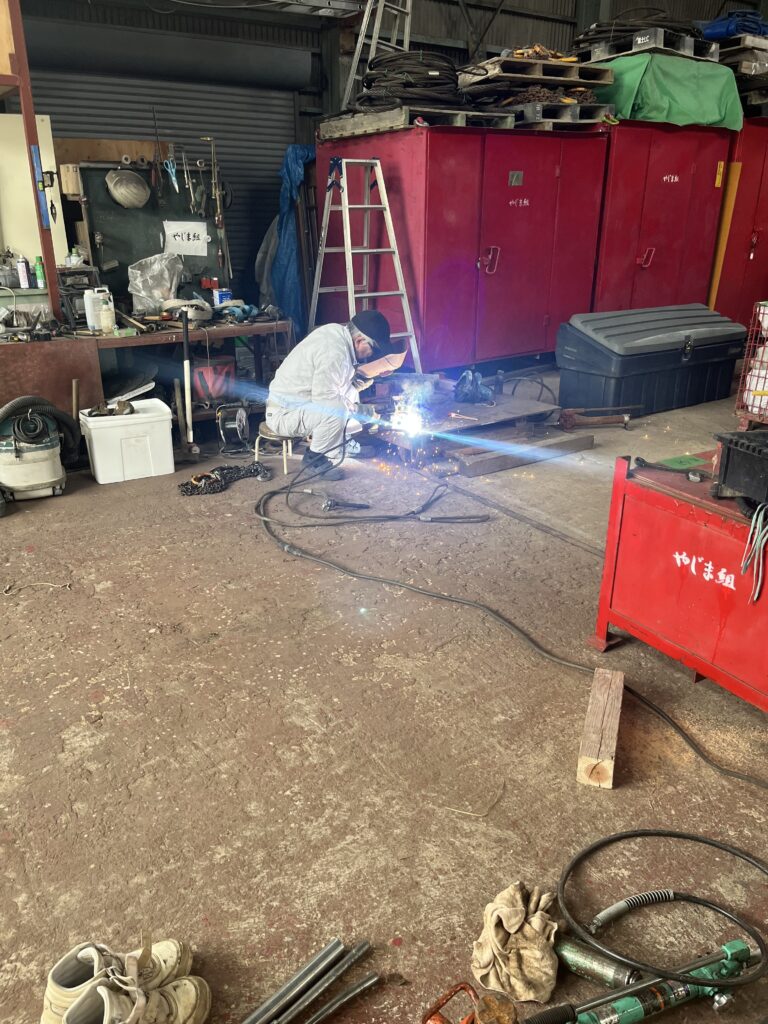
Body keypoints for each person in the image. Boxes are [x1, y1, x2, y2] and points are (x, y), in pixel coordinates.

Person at [265, 310, 401, 479]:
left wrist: (364, 378)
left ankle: (339, 446)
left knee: (346, 394)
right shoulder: (334, 353)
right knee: (337, 409)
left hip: (302, 404)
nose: (372, 354)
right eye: (373, 349)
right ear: (359, 340)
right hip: (285, 414)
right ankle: (314, 459)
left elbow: (338, 383)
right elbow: (326, 401)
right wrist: (362, 411)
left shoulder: (338, 335)